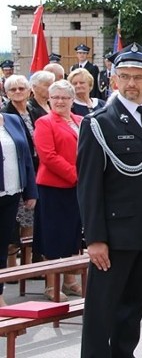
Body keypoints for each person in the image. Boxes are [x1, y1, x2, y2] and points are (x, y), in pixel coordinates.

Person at [76, 43, 142, 358]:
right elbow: (89, 187)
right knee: (101, 311)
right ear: (113, 80)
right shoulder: (99, 122)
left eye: (138, 77)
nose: (132, 84)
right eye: (125, 77)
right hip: (115, 235)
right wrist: (94, 238)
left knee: (133, 308)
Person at [33, 79, 84, 301]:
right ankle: (51, 285)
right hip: (54, 188)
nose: (60, 101)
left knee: (73, 235)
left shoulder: (80, 120)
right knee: (53, 237)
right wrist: (76, 176)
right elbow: (48, 156)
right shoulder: (45, 123)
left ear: (73, 100)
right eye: (56, 97)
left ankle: (70, 281)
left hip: (78, 189)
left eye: (65, 97)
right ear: (49, 100)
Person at [3, 75, 42, 268]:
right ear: (7, 93)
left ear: (29, 91)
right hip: (8, 182)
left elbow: (28, 151)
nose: (18, 92)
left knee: (25, 224)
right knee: (11, 232)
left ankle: (26, 268)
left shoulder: (29, 113)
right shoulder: (8, 113)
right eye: (13, 89)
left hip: (25, 178)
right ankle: (11, 269)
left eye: (21, 88)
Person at [0, 112, 38, 307]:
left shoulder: (12, 120)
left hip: (12, 191)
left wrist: (30, 190)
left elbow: (26, 157)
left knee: (2, 244)